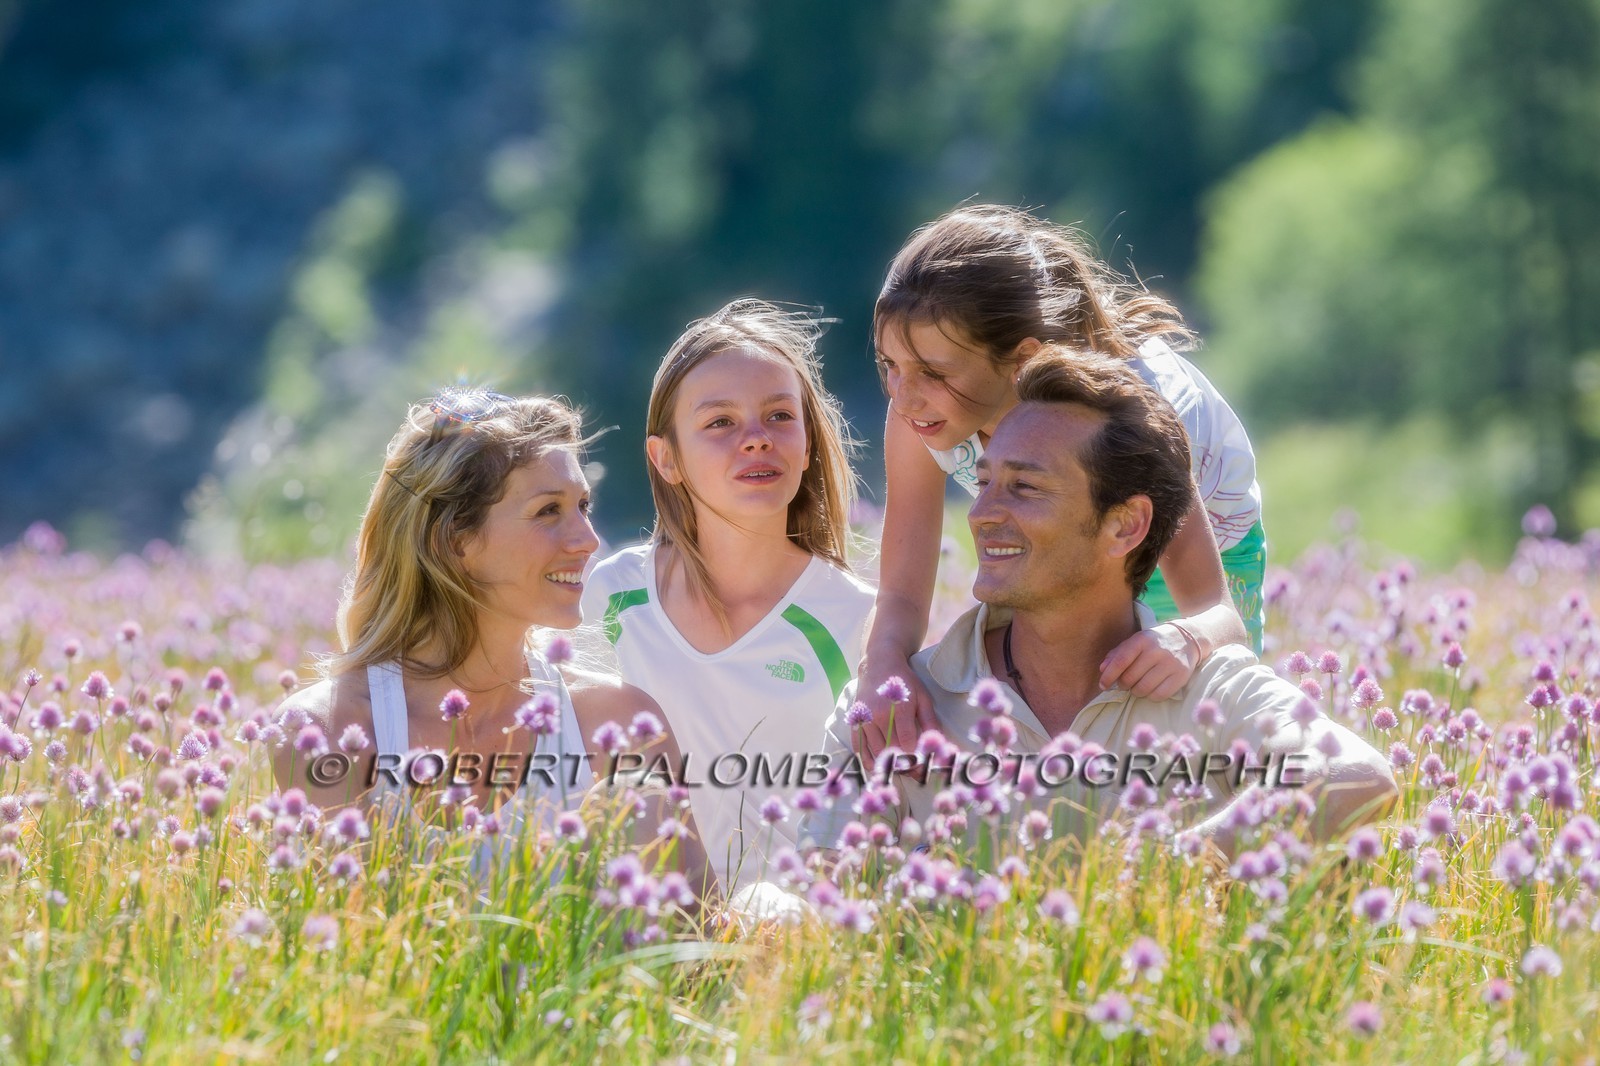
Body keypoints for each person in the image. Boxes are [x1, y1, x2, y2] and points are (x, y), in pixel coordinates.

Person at [801, 353, 1395, 857]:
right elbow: (812, 894)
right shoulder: (895, 706)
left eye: (1025, 487)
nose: (981, 514)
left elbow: (1359, 778)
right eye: (983, 483)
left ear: (1125, 526)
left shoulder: (1212, 688)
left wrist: (1166, 870)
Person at [858, 204, 1265, 761]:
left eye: (934, 371)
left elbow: (1216, 611)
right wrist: (882, 664)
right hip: (1072, 534)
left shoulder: (1131, 412)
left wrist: (1187, 640)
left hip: (1197, 547)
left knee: (1200, 739)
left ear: (1024, 360)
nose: (902, 396)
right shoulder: (915, 414)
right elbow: (903, 592)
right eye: (889, 365)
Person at [273, 388, 710, 887]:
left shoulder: (624, 725)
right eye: (549, 511)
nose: (587, 539)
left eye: (583, 506)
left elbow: (692, 943)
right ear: (455, 539)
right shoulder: (327, 729)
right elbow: (338, 947)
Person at [581, 299, 876, 895]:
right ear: (667, 460)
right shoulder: (607, 597)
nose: (756, 441)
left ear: (810, 442)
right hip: (639, 947)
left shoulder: (863, 618)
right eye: (720, 422)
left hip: (789, 957)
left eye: (778, 416)